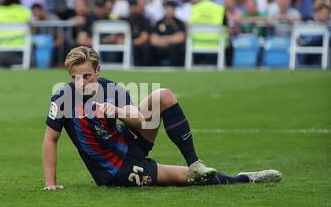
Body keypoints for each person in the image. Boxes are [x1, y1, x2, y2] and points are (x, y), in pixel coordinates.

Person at [42, 46, 282, 189]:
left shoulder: (112, 89)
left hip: (129, 142)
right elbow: (50, 139)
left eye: (87, 76)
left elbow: (140, 121)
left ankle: (194, 162)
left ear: (98, 71)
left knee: (164, 96)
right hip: (117, 171)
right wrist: (50, 183)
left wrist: (116, 111)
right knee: (187, 180)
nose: (82, 83)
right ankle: (242, 179)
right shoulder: (63, 97)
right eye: (76, 78)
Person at [150, 0, 186, 67]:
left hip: (174, 48)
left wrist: (164, 39)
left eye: (171, 8)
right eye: (167, 8)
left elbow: (181, 38)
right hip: (160, 47)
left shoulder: (179, 23)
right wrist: (170, 40)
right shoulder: (159, 22)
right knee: (148, 47)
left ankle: (174, 69)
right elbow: (153, 39)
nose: (169, 10)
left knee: (174, 47)